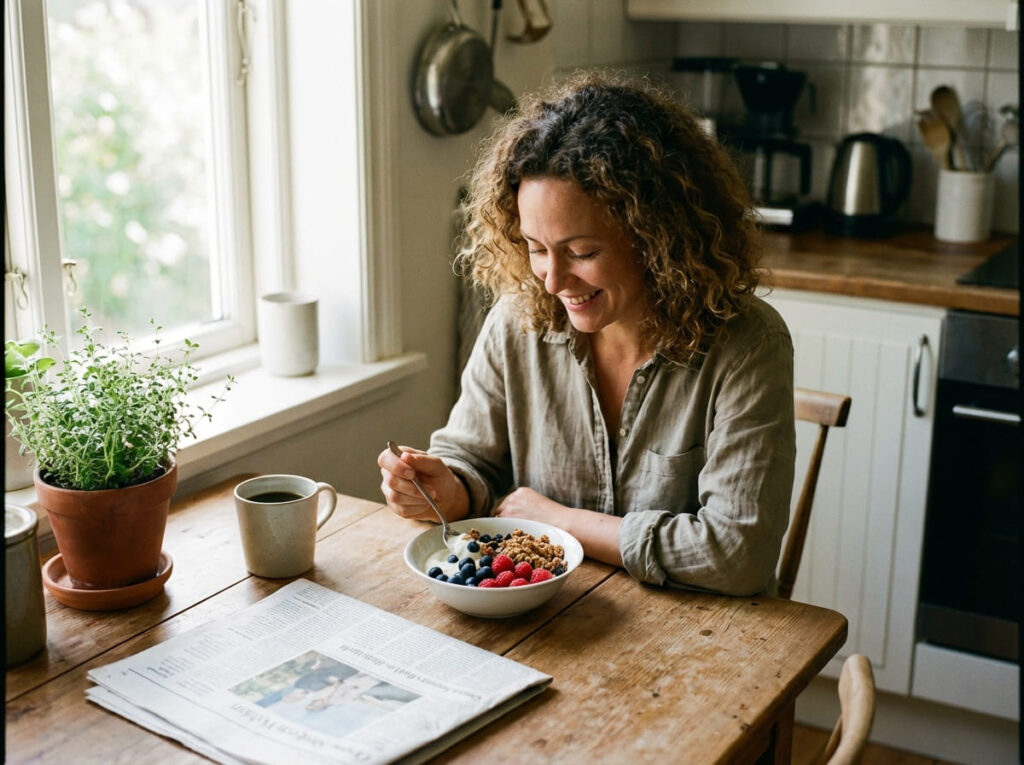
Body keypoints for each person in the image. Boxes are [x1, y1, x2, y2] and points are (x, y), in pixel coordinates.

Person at [379, 71, 795, 596]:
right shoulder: (516, 322)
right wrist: (449, 488)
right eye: (534, 247)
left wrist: (559, 521)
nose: (552, 281)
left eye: (582, 253)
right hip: (553, 621)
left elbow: (739, 556)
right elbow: (473, 463)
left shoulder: (748, 345)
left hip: (696, 637)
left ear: (657, 238)